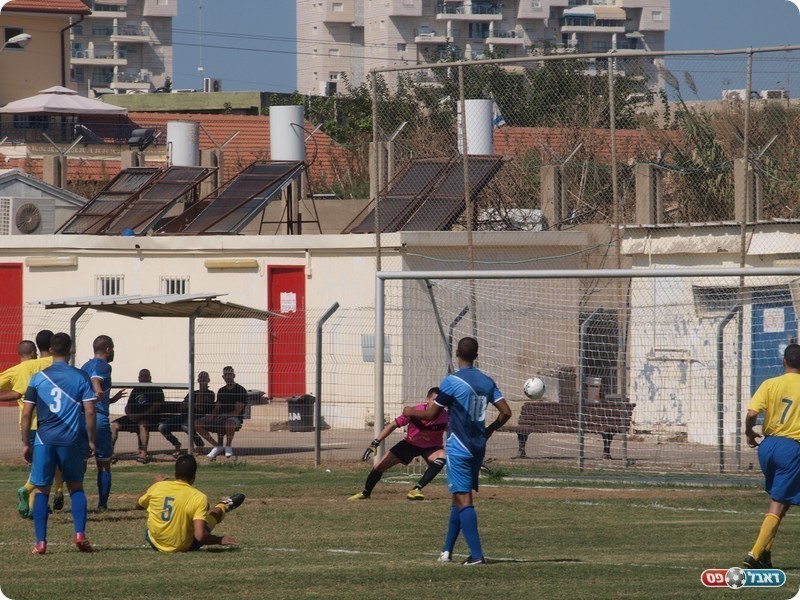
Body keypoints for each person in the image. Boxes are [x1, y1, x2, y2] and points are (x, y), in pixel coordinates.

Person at [402, 337, 511, 565]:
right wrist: (489, 430)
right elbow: (506, 413)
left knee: (464, 499)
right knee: (458, 498)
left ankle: (477, 555)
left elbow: (431, 414)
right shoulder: (487, 381)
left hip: (459, 446)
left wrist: (411, 411)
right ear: (477, 356)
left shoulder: (452, 381)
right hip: (478, 446)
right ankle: (446, 551)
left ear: (456, 354)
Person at [22, 332, 97, 555]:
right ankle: (80, 534)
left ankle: (41, 542)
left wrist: (26, 443)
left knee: (42, 490)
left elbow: (27, 415)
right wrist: (91, 440)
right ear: (71, 350)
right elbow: (90, 412)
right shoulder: (81, 377)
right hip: (71, 439)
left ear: (51, 351)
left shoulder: (37, 378)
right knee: (75, 486)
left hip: (44, 441)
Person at [742, 343, 800, 570]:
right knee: (778, 503)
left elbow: (752, 414)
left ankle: (766, 553)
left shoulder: (770, 384)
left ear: (784, 361)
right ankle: (754, 554)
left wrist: (749, 432)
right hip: (791, 448)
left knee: (781, 500)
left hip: (768, 446)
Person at [0, 331, 66, 517]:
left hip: (28, 424)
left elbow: (17, 392)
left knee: (40, 465)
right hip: (53, 423)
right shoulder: (53, 364)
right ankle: (32, 496)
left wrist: (14, 394)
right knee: (50, 464)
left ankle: (39, 502)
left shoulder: (19, 369)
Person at [349, 387, 448, 501]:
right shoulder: (415, 411)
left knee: (442, 457)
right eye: (435, 400)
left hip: (431, 447)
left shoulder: (445, 417)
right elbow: (392, 425)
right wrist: (375, 443)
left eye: (440, 402)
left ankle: (416, 489)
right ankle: (366, 493)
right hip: (410, 444)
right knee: (378, 467)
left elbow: (454, 432)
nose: (438, 404)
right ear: (427, 399)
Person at [136, 454, 245, 552]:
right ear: (194, 477)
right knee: (214, 512)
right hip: (183, 546)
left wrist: (153, 484)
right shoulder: (199, 497)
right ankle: (224, 506)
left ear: (174, 474)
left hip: (154, 542)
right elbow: (200, 536)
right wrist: (220, 539)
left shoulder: (158, 487)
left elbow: (138, 505)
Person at [81, 335, 125, 511]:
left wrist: (110, 399)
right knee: (104, 463)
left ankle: (77, 501)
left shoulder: (85, 366)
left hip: (82, 417)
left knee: (81, 464)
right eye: (112, 348)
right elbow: (95, 381)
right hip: (98, 418)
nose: (113, 352)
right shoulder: (103, 365)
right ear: (107, 349)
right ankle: (102, 505)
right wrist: (99, 391)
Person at [111, 368, 165, 464]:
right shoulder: (136, 389)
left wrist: (141, 415)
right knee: (113, 425)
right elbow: (128, 406)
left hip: (149, 417)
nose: (143, 378)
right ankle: (110, 453)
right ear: (138, 378)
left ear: (150, 377)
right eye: (141, 376)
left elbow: (156, 406)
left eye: (146, 376)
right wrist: (129, 414)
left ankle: (143, 452)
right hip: (134, 417)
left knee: (142, 425)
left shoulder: (156, 389)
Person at [159, 371, 216, 458]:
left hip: (198, 417)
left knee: (185, 426)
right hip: (184, 415)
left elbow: (200, 407)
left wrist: (195, 399)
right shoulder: (192, 393)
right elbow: (182, 407)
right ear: (198, 380)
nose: (202, 379)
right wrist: (192, 404)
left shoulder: (210, 394)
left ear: (208, 380)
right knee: (162, 426)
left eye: (204, 378)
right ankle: (176, 444)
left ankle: (199, 444)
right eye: (200, 378)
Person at [195, 366, 247, 459]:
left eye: (230, 375)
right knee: (197, 423)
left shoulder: (240, 390)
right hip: (219, 417)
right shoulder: (221, 391)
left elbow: (237, 411)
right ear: (223, 377)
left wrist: (226, 416)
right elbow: (217, 408)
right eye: (226, 375)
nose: (228, 377)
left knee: (229, 423)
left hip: (234, 418)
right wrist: (211, 415)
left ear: (234, 375)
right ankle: (217, 446)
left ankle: (228, 446)